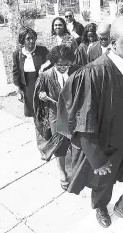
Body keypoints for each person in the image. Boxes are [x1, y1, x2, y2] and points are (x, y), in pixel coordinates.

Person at [56, 17, 123, 230]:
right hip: (106, 141)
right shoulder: (94, 73)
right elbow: (82, 120)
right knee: (102, 183)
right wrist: (96, 158)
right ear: (113, 43)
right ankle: (101, 207)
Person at [33, 45, 80, 190]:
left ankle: (77, 169)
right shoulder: (45, 76)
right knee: (59, 146)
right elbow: (39, 96)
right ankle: (62, 173)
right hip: (56, 116)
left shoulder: (77, 71)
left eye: (66, 64)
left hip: (75, 115)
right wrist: (42, 96)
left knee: (77, 143)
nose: (63, 67)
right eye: (59, 65)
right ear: (53, 62)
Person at [12, 28, 49, 117]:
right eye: (28, 39)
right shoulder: (18, 54)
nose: (31, 41)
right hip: (28, 86)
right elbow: (16, 72)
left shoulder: (42, 50)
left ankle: (45, 129)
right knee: (33, 112)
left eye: (33, 38)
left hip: (42, 84)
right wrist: (19, 89)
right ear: (22, 40)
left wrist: (44, 66)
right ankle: (38, 129)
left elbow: (50, 62)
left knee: (44, 110)